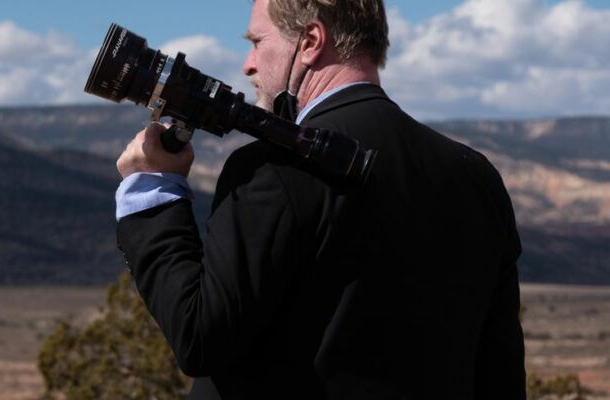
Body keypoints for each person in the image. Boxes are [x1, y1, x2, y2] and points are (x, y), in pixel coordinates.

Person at [114, 0, 526, 398]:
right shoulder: (477, 177)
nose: (248, 64)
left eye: (257, 42)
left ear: (310, 41)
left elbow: (198, 334)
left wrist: (153, 191)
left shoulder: (273, 169)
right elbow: (500, 374)